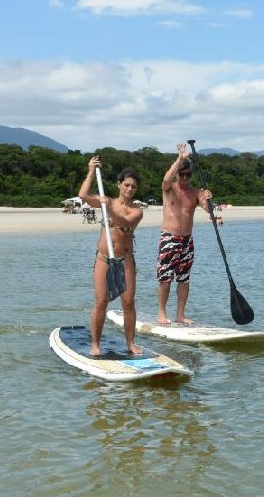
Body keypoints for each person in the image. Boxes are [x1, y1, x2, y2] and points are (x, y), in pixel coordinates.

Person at [78, 156, 144, 357]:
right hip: (104, 259)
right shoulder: (108, 201)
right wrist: (91, 171)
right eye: (126, 185)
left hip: (125, 261)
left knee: (128, 303)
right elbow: (82, 195)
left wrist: (108, 207)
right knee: (101, 303)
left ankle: (131, 344)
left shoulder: (137, 211)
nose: (130, 189)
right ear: (119, 185)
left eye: (133, 186)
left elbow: (123, 220)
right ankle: (95, 344)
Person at [156, 143, 212, 325]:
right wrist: (179, 159)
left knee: (184, 279)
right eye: (182, 174)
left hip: (187, 241)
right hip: (169, 238)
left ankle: (180, 314)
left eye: (188, 175)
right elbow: (165, 179)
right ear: (178, 173)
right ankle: (162, 313)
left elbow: (206, 209)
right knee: (165, 279)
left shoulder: (195, 192)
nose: (185, 178)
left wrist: (207, 200)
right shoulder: (169, 188)